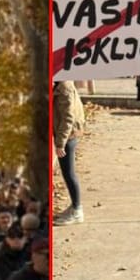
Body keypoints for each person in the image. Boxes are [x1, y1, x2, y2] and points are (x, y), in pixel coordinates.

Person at [52, 80, 86, 226]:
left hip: (68, 136)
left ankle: (77, 211)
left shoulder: (64, 87)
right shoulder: (60, 84)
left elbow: (68, 118)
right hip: (69, 135)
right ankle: (74, 206)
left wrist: (60, 143)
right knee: (68, 173)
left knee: (69, 173)